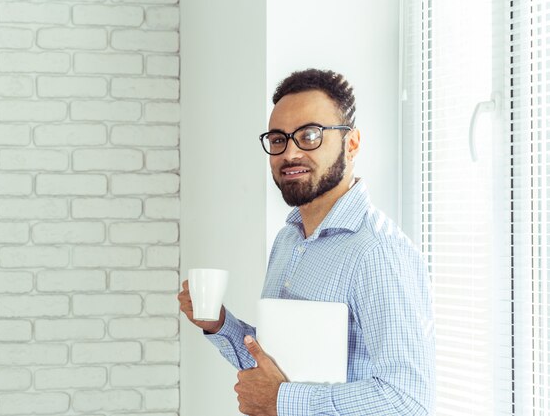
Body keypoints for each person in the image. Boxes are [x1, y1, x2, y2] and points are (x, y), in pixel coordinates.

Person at [178, 68, 435, 416]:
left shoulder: (378, 252)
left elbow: (409, 401)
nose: (290, 153)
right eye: (278, 139)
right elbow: (278, 368)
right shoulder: (289, 239)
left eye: (310, 135)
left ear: (352, 143)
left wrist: (282, 401)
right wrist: (220, 324)